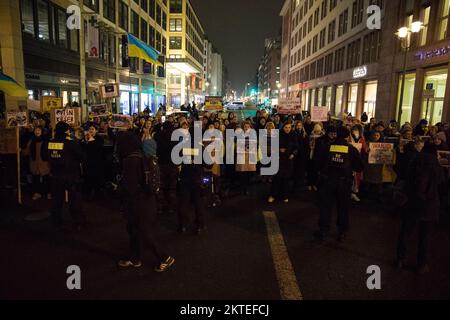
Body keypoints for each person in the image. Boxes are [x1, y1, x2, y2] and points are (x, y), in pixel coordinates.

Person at [116, 131, 175, 272]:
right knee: (134, 230)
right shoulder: (143, 155)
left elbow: (130, 187)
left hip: (137, 203)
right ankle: (134, 257)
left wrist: (119, 188)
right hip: (148, 200)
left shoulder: (130, 160)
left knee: (143, 231)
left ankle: (164, 257)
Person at [397, 144, 445, 274]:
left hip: (412, 202)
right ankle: (422, 264)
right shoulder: (436, 166)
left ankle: (401, 259)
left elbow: (406, 178)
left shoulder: (415, 161)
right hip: (430, 205)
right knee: (426, 236)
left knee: (406, 232)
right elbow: (441, 184)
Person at [314, 126, 363, 242]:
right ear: (347, 136)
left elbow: (318, 163)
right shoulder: (351, 149)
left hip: (328, 181)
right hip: (344, 182)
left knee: (326, 207)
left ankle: (323, 230)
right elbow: (359, 167)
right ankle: (342, 231)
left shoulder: (328, 147)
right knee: (343, 208)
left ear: (336, 134)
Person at [48, 122, 86, 230]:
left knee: (56, 201)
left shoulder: (51, 142)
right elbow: (82, 156)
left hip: (55, 175)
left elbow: (47, 157)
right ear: (66, 131)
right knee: (74, 199)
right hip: (70, 175)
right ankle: (78, 221)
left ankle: (55, 221)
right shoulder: (70, 143)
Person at [268, 122, 297, 203]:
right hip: (279, 159)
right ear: (283, 127)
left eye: (289, 127)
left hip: (288, 160)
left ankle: (285, 196)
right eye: (286, 127)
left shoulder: (293, 135)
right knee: (277, 178)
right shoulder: (278, 135)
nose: (287, 129)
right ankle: (273, 195)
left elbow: (296, 147)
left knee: (286, 179)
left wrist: (293, 154)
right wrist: (279, 149)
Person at [25, 126, 51, 201]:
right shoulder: (31, 140)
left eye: (39, 130)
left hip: (44, 162)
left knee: (46, 178)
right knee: (35, 179)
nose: (37, 131)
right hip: (34, 162)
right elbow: (26, 151)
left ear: (42, 131)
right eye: (36, 130)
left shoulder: (46, 140)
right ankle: (37, 193)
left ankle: (48, 192)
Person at [83, 125, 105, 199]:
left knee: (96, 178)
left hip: (96, 162)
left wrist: (90, 139)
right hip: (87, 162)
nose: (91, 130)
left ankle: (97, 193)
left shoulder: (99, 138)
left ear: (96, 130)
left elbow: (97, 147)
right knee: (88, 178)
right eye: (90, 129)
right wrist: (85, 141)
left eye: (92, 129)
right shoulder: (86, 138)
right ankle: (88, 193)